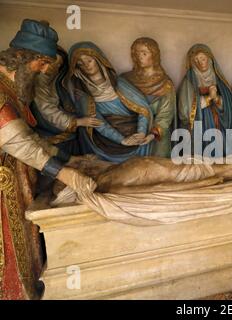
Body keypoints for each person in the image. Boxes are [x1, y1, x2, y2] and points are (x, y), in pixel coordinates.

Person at [0, 19, 96, 300]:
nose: (44, 71)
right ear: (21, 58)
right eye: (41, 64)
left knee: (25, 249)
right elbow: (19, 143)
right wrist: (65, 174)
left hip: (14, 186)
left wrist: (70, 160)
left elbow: (32, 139)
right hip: (3, 189)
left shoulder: (12, 89)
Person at [67, 41, 155, 163]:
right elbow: (97, 122)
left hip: (135, 136)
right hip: (106, 142)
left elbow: (143, 109)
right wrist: (121, 140)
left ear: (98, 60)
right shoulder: (82, 95)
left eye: (89, 60)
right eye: (80, 64)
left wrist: (141, 132)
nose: (86, 66)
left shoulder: (119, 83)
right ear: (76, 69)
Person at [31, 45, 102, 155]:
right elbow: (47, 110)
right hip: (53, 136)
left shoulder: (56, 80)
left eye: (59, 64)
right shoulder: (39, 83)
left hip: (66, 133)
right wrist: (77, 122)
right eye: (53, 63)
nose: (55, 67)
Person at [122, 37, 176, 158]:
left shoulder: (165, 84)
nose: (139, 57)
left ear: (154, 55)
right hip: (131, 133)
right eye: (137, 53)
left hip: (156, 137)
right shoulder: (126, 80)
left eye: (144, 53)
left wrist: (152, 135)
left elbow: (165, 115)